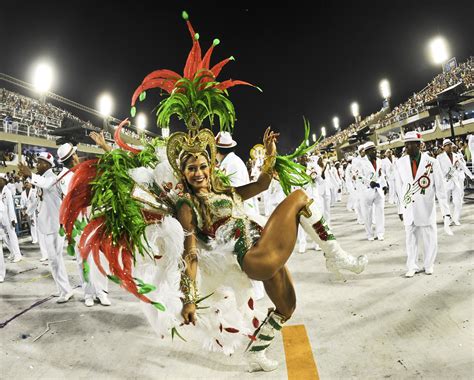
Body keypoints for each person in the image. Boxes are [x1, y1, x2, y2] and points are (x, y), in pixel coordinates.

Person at [60, 13, 368, 373]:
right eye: (192, 168)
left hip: (262, 242)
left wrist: (269, 156)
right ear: (185, 175)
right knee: (299, 197)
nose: (200, 172)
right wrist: (187, 300)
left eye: (203, 165)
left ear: (210, 165)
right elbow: (190, 254)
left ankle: (256, 353)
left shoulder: (225, 187)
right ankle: (335, 257)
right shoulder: (188, 206)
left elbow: (262, 186)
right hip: (251, 255)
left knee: (287, 307)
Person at [56, 142, 111, 307]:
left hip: (93, 216)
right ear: (73, 156)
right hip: (78, 221)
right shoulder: (65, 177)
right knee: (83, 258)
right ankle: (88, 293)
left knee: (99, 255)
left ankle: (101, 292)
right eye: (75, 155)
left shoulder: (83, 170)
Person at [394, 132, 452, 277]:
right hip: (408, 207)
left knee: (429, 237)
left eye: (411, 143)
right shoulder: (400, 163)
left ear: (419, 145)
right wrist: (400, 208)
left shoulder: (432, 162)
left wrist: (445, 211)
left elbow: (440, 188)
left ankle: (428, 264)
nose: (407, 147)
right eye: (406, 144)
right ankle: (412, 265)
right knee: (410, 238)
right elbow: (399, 187)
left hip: (426, 206)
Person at [18, 152, 74, 303]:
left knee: (56, 259)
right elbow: (38, 199)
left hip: (56, 224)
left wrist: (30, 174)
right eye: (36, 163)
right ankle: (61, 288)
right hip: (47, 224)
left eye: (40, 163)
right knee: (52, 259)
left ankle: (66, 291)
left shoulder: (53, 177)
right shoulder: (41, 179)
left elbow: (47, 184)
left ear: (48, 164)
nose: (37, 165)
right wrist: (28, 212)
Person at [437, 139, 473, 225]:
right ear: (444, 147)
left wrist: (471, 175)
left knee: (458, 201)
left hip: (455, 181)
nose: (450, 147)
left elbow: (463, 166)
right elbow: (438, 171)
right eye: (447, 145)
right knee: (446, 202)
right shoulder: (439, 157)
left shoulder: (456, 156)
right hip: (445, 182)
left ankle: (456, 218)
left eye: (450, 145)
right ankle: (447, 218)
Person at [358, 142, 387, 241]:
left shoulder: (379, 161)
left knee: (380, 212)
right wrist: (368, 183)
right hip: (367, 192)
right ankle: (369, 234)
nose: (375, 151)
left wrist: (384, 185)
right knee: (367, 215)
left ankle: (380, 233)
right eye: (372, 150)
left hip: (378, 190)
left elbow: (381, 174)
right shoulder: (361, 162)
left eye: (375, 149)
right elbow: (359, 176)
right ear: (367, 152)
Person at [0, 173, 22, 262]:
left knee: (12, 236)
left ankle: (18, 255)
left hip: (9, 218)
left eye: (0, 180)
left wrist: (13, 219)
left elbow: (10, 206)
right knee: (3, 237)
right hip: (1, 218)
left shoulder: (7, 191)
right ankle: (12, 252)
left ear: (4, 181)